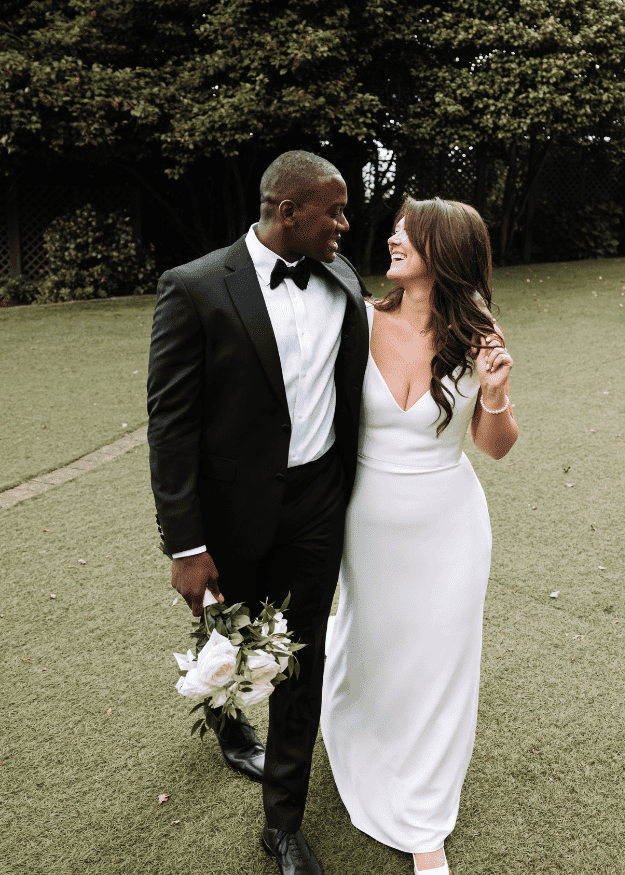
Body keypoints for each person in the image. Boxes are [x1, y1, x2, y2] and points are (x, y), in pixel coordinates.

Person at [147, 151, 370, 875]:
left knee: (301, 656)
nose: (345, 222)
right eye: (333, 210)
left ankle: (282, 825)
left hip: (315, 503)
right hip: (228, 513)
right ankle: (226, 723)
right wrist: (185, 545)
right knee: (226, 637)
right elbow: (171, 425)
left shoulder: (341, 277)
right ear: (289, 213)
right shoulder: (196, 288)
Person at [320, 196, 518, 875]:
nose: (395, 235)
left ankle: (426, 823)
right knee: (372, 645)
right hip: (367, 523)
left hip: (449, 525)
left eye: (411, 230)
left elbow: (495, 446)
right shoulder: (357, 320)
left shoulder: (478, 333)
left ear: (448, 250)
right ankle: (354, 737)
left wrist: (493, 393)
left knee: (441, 663)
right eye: (399, 226)